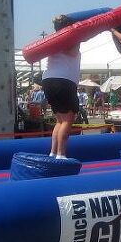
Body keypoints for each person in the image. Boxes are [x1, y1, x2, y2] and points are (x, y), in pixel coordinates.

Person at [42, 15, 81, 159]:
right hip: (63, 80)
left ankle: (53, 152)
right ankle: (61, 154)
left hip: (48, 81)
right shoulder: (72, 39)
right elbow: (73, 52)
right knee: (67, 119)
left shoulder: (52, 40)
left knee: (60, 119)